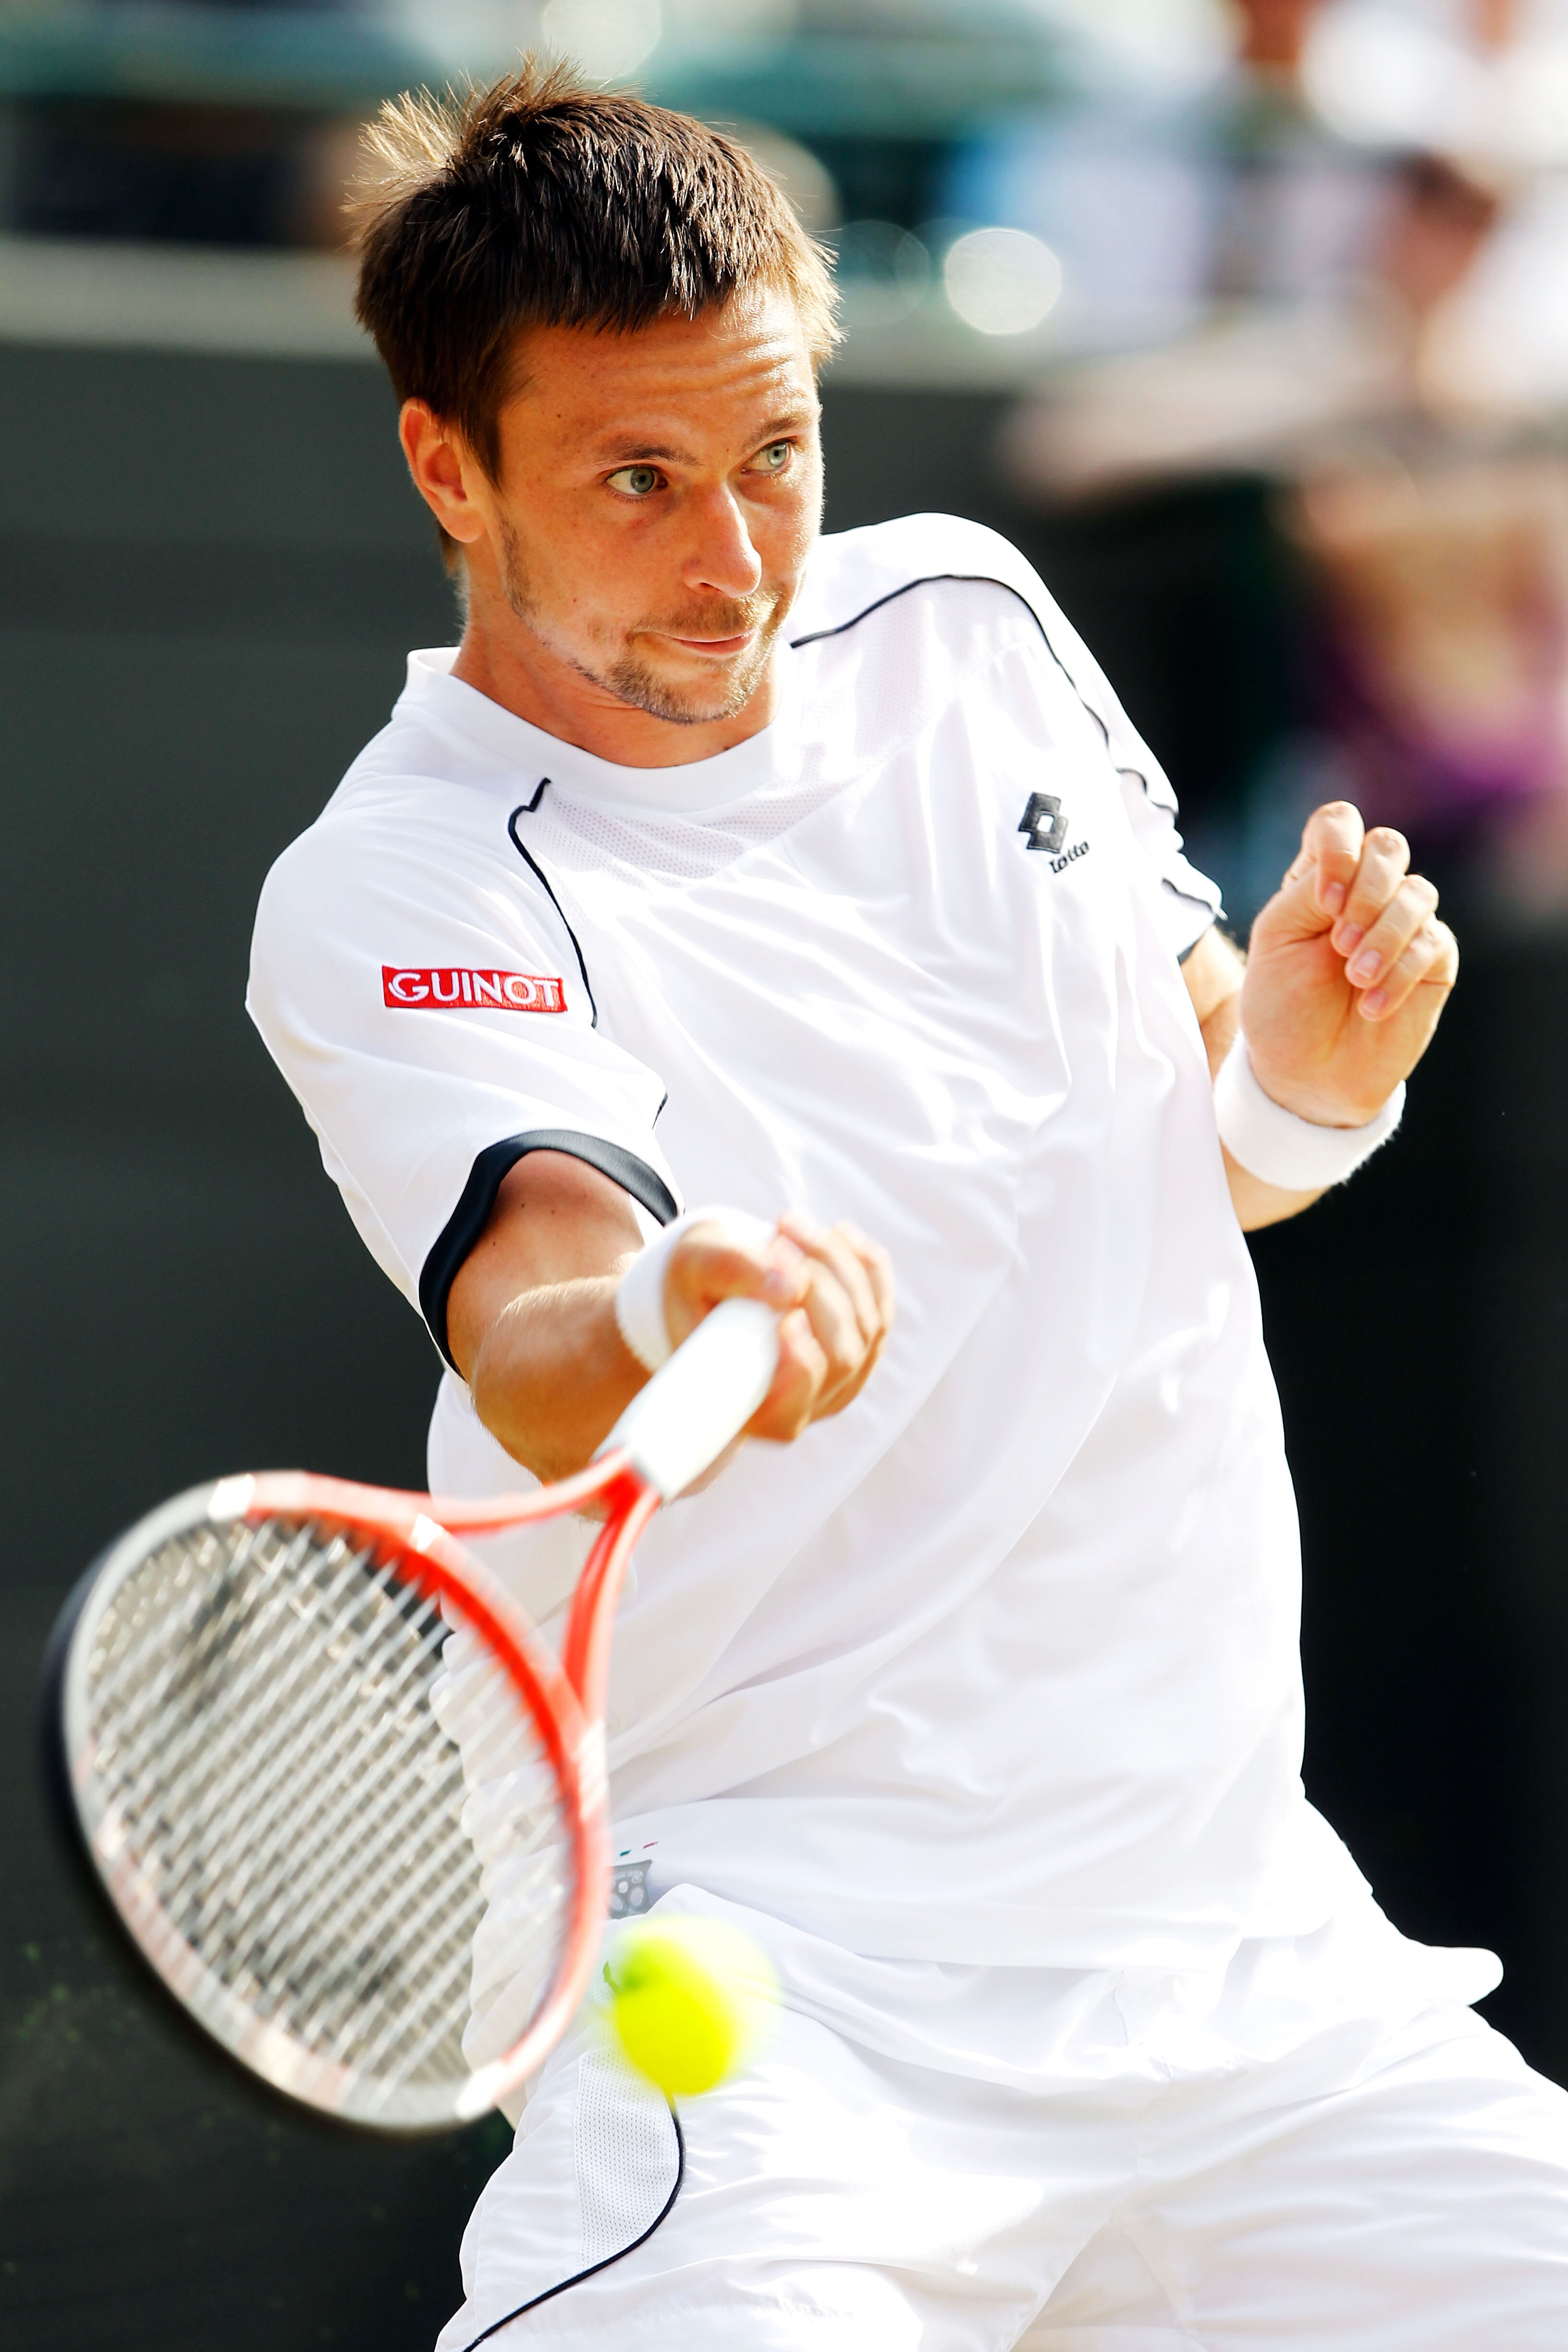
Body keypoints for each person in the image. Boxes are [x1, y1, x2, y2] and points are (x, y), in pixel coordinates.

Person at [246, 63, 1567, 2352]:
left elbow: (1191, 1132)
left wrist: (1303, 1080)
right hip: (774, 1988)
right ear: (447, 467)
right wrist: (679, 1291)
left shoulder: (967, 615)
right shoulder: (395, 882)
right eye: (638, 480)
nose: (735, 555)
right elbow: (550, 1331)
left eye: (774, 455)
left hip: (1248, 1957)